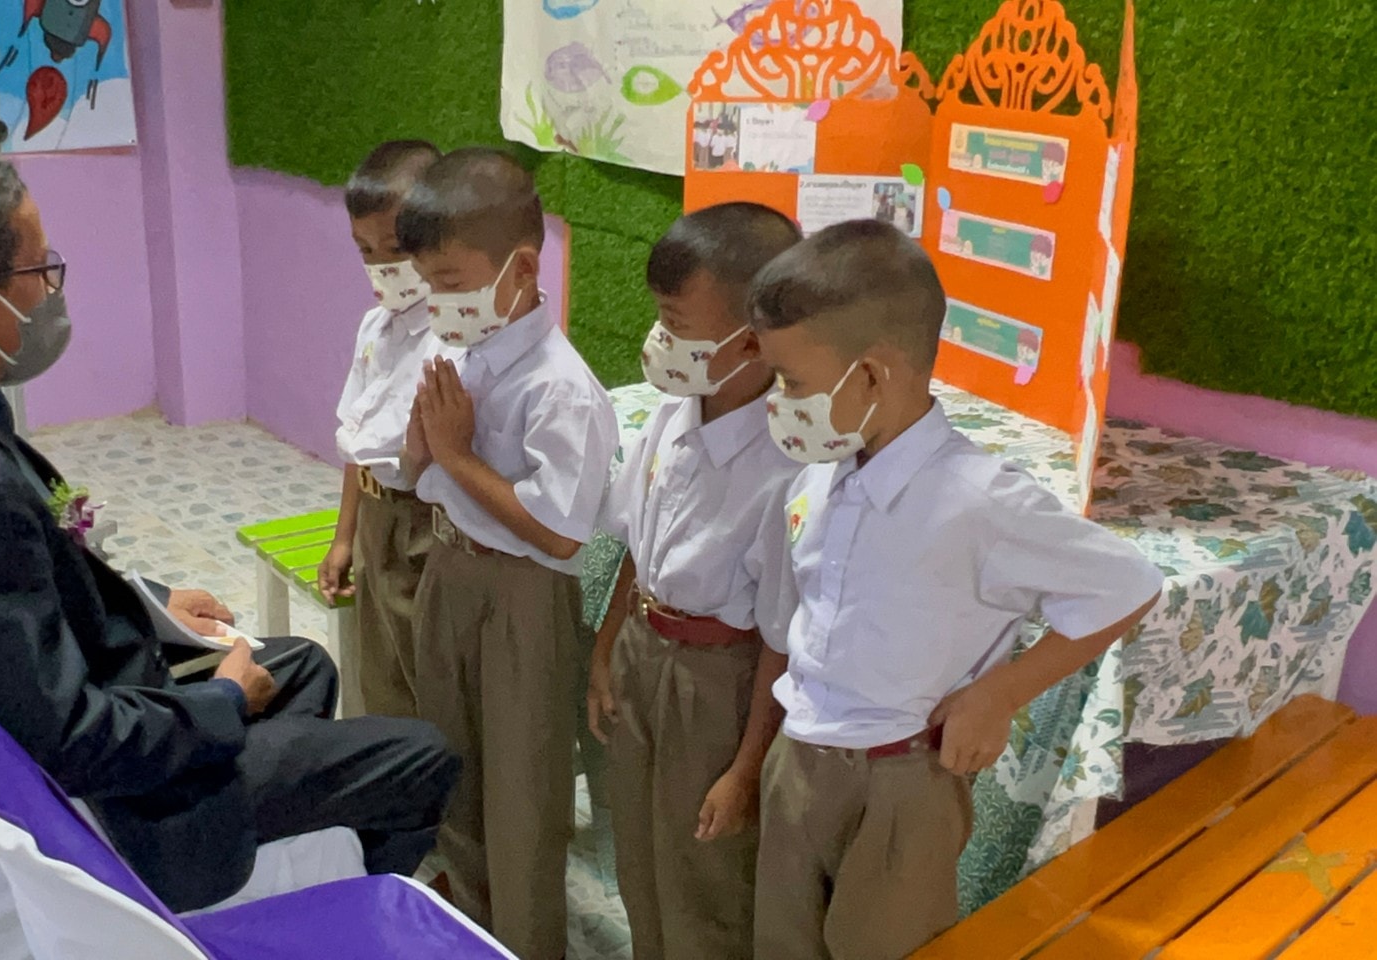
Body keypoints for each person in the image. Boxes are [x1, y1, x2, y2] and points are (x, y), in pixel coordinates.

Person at [0, 146, 460, 932]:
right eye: (41, 271)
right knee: (423, 755)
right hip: (111, 799)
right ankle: (313, 915)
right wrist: (218, 703)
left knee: (302, 665)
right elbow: (64, 738)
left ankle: (292, 850)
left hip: (39, 689)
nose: (52, 291)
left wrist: (149, 606)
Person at [744, 219, 1163, 960]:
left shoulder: (980, 500)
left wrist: (999, 694)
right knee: (784, 945)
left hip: (901, 784)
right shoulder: (819, 475)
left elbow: (1128, 583)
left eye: (793, 382)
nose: (778, 400)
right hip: (800, 760)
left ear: (871, 377)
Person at [398, 147, 620, 960]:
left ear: (522, 268)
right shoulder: (463, 350)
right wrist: (424, 452)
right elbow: (418, 471)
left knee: (523, 791)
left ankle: (526, 944)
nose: (439, 302)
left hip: (524, 596)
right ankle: (468, 929)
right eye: (430, 284)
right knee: (451, 761)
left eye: (452, 282)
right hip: (450, 569)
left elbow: (560, 532)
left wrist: (456, 458)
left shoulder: (560, 388)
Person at [586, 203, 802, 960]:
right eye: (660, 318)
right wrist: (606, 650)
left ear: (752, 341)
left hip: (719, 684)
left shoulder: (788, 466)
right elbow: (636, 549)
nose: (660, 340)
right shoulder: (671, 418)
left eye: (677, 325)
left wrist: (745, 768)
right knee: (641, 856)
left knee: (705, 882)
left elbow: (779, 638)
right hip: (643, 651)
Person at [318, 139, 443, 718]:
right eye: (364, 250)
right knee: (378, 676)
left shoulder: (449, 340)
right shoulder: (375, 327)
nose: (378, 266)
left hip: (422, 527)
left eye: (394, 250)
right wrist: (344, 536)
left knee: (424, 681)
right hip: (374, 519)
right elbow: (357, 436)